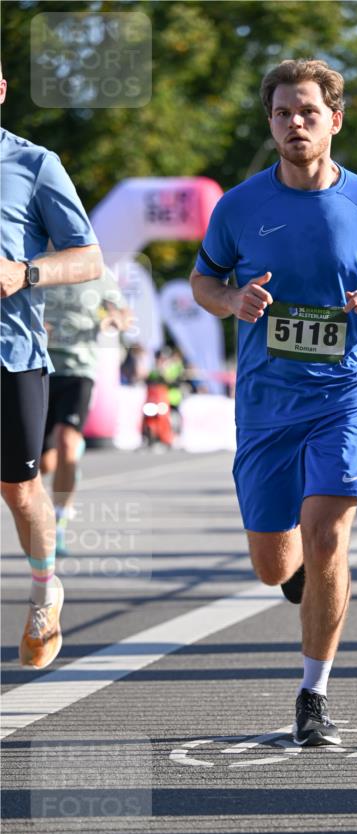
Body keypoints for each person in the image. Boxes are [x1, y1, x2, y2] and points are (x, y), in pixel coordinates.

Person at [190, 59, 357, 746]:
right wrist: (232, 298)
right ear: (270, 121)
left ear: (334, 120)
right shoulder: (238, 206)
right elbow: (203, 281)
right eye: (284, 112)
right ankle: (295, 585)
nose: (296, 123)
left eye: (309, 112)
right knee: (273, 565)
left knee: (327, 536)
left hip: (343, 390)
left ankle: (312, 694)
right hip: (266, 399)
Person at [0, 65, 102, 668]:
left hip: (11, 356)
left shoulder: (34, 164)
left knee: (18, 488)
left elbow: (87, 257)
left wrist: (24, 272)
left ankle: (44, 589)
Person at [40, 267, 129, 555]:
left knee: (67, 443)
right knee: (44, 464)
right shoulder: (32, 261)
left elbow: (124, 313)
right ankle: (65, 469)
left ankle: (59, 522)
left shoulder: (96, 271)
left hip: (79, 369)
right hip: (39, 368)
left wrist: (115, 319)